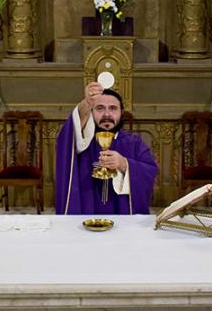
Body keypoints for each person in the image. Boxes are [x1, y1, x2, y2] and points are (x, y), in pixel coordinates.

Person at [55, 82, 158, 214]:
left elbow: (150, 171)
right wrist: (86, 103)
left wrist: (124, 164)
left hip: (123, 216)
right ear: (91, 111)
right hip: (86, 213)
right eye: (100, 108)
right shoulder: (82, 140)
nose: (107, 114)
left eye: (113, 108)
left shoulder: (134, 142)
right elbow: (66, 141)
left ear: (122, 112)